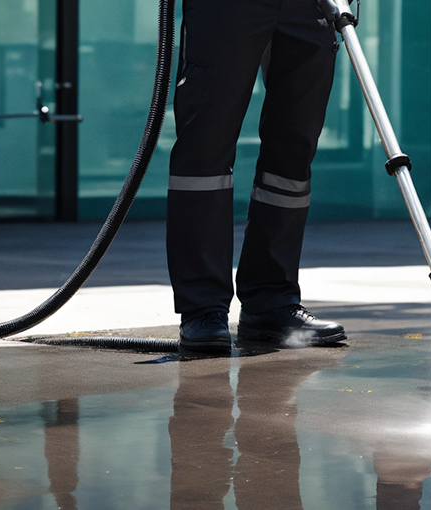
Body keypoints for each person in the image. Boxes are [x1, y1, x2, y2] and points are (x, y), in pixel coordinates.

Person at [167, 0, 346, 354]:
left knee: (294, 151)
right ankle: (203, 308)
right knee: (206, 146)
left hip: (310, 7)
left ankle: (271, 301)